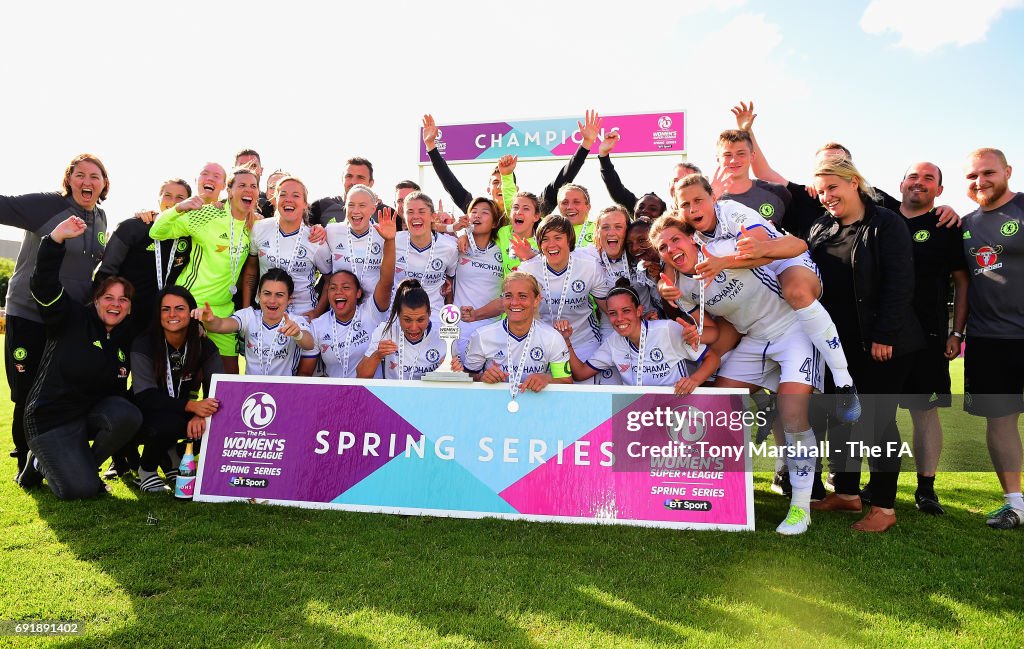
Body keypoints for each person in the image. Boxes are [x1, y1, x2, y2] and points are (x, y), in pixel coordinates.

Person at [652, 214, 823, 535]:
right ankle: (719, 493)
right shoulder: (682, 289)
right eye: (663, 247)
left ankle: (801, 507)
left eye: (676, 240)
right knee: (719, 405)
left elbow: (798, 245)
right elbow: (717, 332)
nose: (671, 248)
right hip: (755, 340)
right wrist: (696, 335)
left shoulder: (724, 246)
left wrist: (729, 260)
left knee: (792, 413)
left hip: (793, 330)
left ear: (692, 239)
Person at [673, 173, 861, 423]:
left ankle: (843, 382)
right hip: (759, 316)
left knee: (795, 292)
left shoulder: (730, 212)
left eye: (698, 200)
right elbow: (665, 251)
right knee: (720, 402)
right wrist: (666, 283)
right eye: (685, 204)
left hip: (784, 258)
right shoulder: (691, 238)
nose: (693, 208)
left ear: (713, 197)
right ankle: (764, 409)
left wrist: (723, 263)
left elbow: (764, 250)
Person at [806, 158, 924, 533]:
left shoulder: (886, 223)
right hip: (838, 348)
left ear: (854, 182)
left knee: (877, 424)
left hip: (883, 344)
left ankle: (885, 508)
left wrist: (884, 335)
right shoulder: (821, 228)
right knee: (842, 419)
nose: (826, 197)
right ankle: (846, 493)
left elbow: (901, 282)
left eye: (833, 188)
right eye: (821, 191)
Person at [15, 216, 141, 500]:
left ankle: (80, 466)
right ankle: (38, 460)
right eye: (108, 297)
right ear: (95, 300)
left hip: (86, 417)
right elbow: (44, 285)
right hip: (50, 419)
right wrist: (55, 241)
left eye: (123, 300)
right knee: (80, 490)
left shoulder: (124, 338)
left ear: (130, 308)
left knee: (127, 415)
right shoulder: (71, 318)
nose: (115, 305)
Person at [2, 153, 111, 475]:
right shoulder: (48, 206)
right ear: (68, 180)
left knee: (56, 391)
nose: (87, 181)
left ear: (104, 184)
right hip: (29, 313)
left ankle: (50, 455)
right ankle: (27, 463)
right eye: (80, 175)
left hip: (68, 320)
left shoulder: (101, 218)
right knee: (26, 391)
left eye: (95, 176)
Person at [728, 101, 959, 239]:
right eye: (825, 165)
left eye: (839, 164)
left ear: (853, 173)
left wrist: (943, 210)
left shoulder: (872, 196)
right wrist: (748, 131)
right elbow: (764, 173)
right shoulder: (807, 195)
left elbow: (908, 214)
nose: (831, 170)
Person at [897, 162, 969, 515]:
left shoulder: (946, 226)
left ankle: (926, 488)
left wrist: (956, 331)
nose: (919, 183)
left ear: (940, 191)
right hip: (880, 336)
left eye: (929, 179)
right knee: (875, 414)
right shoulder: (879, 217)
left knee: (924, 412)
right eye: (914, 176)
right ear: (900, 184)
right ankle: (877, 483)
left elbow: (963, 281)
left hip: (927, 338)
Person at [958, 147, 1024, 529]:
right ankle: (1014, 504)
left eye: (988, 173)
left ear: (1008, 172)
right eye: (972, 176)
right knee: (999, 421)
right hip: (988, 340)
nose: (980, 181)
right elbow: (962, 281)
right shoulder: (963, 224)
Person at [150, 166, 260, 374]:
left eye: (253, 186)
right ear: (230, 191)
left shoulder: (255, 225)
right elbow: (157, 232)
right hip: (192, 303)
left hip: (223, 308)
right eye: (242, 185)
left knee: (229, 376)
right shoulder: (207, 215)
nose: (248, 190)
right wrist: (178, 208)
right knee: (184, 373)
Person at [130, 286, 223, 492]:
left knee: (218, 422)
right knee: (167, 422)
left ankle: (173, 455)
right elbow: (146, 397)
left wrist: (202, 414)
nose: (172, 315)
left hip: (183, 409)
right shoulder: (144, 343)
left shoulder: (203, 344)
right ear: (158, 314)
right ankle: (146, 471)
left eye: (180, 308)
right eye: (165, 309)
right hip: (145, 413)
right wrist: (191, 406)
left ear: (191, 313)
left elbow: (217, 386)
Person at [422, 111, 601, 216]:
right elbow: (451, 185)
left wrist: (585, 145)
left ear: (515, 189)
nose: (500, 186)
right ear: (488, 190)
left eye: (505, 181)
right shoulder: (476, 210)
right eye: (495, 182)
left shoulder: (534, 211)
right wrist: (431, 147)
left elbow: (562, 179)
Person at [563, 277, 719, 391]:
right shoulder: (614, 342)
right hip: (638, 415)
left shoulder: (667, 330)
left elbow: (712, 358)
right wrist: (566, 341)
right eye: (612, 313)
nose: (620, 319)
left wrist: (694, 380)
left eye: (626, 311)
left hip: (676, 406)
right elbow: (580, 373)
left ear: (639, 311)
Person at [302, 209, 397, 378]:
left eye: (346, 287)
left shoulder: (371, 313)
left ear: (358, 293)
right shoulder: (318, 325)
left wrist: (389, 241)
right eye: (333, 287)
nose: (338, 291)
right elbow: (305, 375)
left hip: (370, 397)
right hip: (334, 399)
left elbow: (386, 281)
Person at [94, 178, 194, 331]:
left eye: (180, 198)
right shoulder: (133, 227)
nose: (173, 202)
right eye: (167, 195)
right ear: (158, 199)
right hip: (127, 315)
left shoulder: (191, 235)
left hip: (168, 318)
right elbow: (106, 272)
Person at [519, 215, 610, 382]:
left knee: (584, 397)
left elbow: (608, 308)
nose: (551, 244)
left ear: (569, 240)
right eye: (545, 239)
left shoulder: (589, 267)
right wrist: (475, 315)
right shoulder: (528, 270)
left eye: (558, 238)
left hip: (583, 341)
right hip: (544, 344)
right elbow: (511, 305)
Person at [454, 272, 573, 397]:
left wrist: (547, 379)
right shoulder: (481, 336)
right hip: (493, 404)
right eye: (508, 296)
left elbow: (566, 382)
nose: (514, 302)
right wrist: (483, 377)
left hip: (537, 405)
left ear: (537, 300)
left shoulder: (553, 338)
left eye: (522, 296)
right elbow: (469, 378)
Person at [192, 269, 315, 376]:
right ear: (258, 296)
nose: (272, 300)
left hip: (283, 390)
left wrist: (297, 333)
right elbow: (220, 325)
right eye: (267, 294)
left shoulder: (296, 321)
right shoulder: (248, 316)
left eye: (279, 295)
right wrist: (209, 320)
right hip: (251, 389)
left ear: (289, 299)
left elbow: (309, 344)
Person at [242, 175, 331, 319]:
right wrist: (246, 310)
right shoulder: (259, 229)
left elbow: (330, 280)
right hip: (264, 311)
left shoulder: (315, 239)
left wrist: (317, 312)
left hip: (302, 315)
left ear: (305, 204)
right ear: (276, 200)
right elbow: (251, 270)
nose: (288, 199)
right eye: (283, 194)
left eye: (295, 195)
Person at [357, 279, 447, 380]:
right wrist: (378, 355)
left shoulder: (443, 336)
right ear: (398, 314)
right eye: (407, 320)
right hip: (391, 395)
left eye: (420, 320)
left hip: (428, 395)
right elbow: (361, 376)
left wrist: (452, 369)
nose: (414, 328)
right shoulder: (386, 331)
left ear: (429, 313)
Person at [454, 197, 506, 358]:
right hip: (460, 327)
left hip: (493, 328)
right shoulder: (456, 246)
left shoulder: (503, 249)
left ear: (495, 223)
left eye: (484, 213)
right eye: (473, 212)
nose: (477, 216)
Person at [393, 191, 459, 318]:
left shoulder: (449, 247)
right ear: (404, 217)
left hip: (434, 318)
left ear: (433, 216)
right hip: (399, 316)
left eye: (422, 211)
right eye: (410, 212)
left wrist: (449, 326)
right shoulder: (393, 241)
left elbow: (449, 285)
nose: (415, 216)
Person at [711, 129, 791, 227]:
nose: (734, 160)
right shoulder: (709, 200)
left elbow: (803, 235)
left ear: (752, 156)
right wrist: (710, 198)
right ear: (718, 159)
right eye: (727, 155)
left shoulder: (777, 193)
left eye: (741, 154)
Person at [597, 128, 685, 218]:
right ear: (633, 210)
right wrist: (604, 156)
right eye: (641, 207)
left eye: (653, 209)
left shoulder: (671, 228)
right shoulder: (632, 221)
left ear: (662, 217)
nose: (645, 211)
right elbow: (616, 189)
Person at [324, 185, 395, 294]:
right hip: (342, 303)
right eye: (351, 205)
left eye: (362, 205)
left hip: (375, 305)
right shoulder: (331, 231)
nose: (355, 211)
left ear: (373, 208)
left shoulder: (384, 234)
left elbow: (389, 278)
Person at [309, 156, 392, 226]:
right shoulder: (320, 207)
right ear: (342, 179)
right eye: (349, 176)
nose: (354, 182)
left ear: (371, 183)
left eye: (360, 177)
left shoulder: (387, 212)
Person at [234, 148, 274, 218]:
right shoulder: (223, 206)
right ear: (234, 171)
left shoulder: (273, 204)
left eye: (253, 166)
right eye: (243, 166)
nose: (248, 170)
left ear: (261, 170)